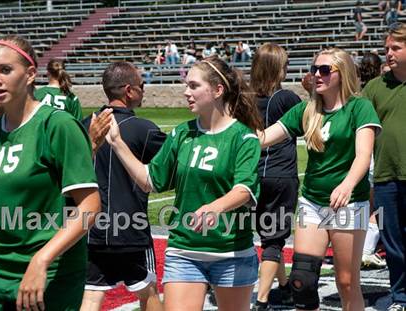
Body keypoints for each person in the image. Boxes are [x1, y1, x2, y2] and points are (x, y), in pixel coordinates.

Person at [105, 55, 263, 311]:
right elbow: (150, 180)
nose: (185, 92)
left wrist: (216, 207)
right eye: (186, 85)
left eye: (193, 86)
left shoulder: (244, 138)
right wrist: (117, 144)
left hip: (231, 254)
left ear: (218, 90)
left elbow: (244, 190)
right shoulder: (181, 134)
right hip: (184, 251)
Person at [258, 48, 381, 311]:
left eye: (325, 70)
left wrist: (347, 184)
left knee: (347, 283)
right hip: (312, 202)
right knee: (301, 281)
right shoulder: (306, 109)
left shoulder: (360, 107)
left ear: (342, 73)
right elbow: (264, 138)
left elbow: (363, 155)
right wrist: (229, 131)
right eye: (314, 69)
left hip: (348, 204)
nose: (317, 75)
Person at [0, 35, 101, 310]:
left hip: (46, 277)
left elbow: (91, 208)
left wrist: (42, 259)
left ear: (29, 75)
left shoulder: (57, 125)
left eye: (5, 70)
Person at [80, 62, 165, 311]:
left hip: (92, 227)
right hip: (131, 230)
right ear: (129, 90)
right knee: (149, 294)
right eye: (141, 85)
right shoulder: (144, 129)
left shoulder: (84, 124)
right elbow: (171, 170)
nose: (144, 90)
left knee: (92, 295)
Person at [250, 43, 301, 311]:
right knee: (273, 238)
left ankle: (284, 288)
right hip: (280, 175)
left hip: (252, 176)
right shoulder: (286, 98)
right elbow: (309, 124)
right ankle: (262, 301)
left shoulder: (243, 100)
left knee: (267, 234)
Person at [362, 22, 406, 311]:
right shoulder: (375, 87)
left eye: (396, 48)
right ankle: (401, 297)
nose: (388, 53)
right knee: (392, 243)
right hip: (387, 176)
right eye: (387, 48)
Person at [357, 52, 387, 270]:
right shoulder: (379, 90)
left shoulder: (357, 92)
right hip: (376, 154)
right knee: (377, 207)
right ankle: (367, 250)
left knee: (364, 204)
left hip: (358, 154)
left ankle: (364, 247)